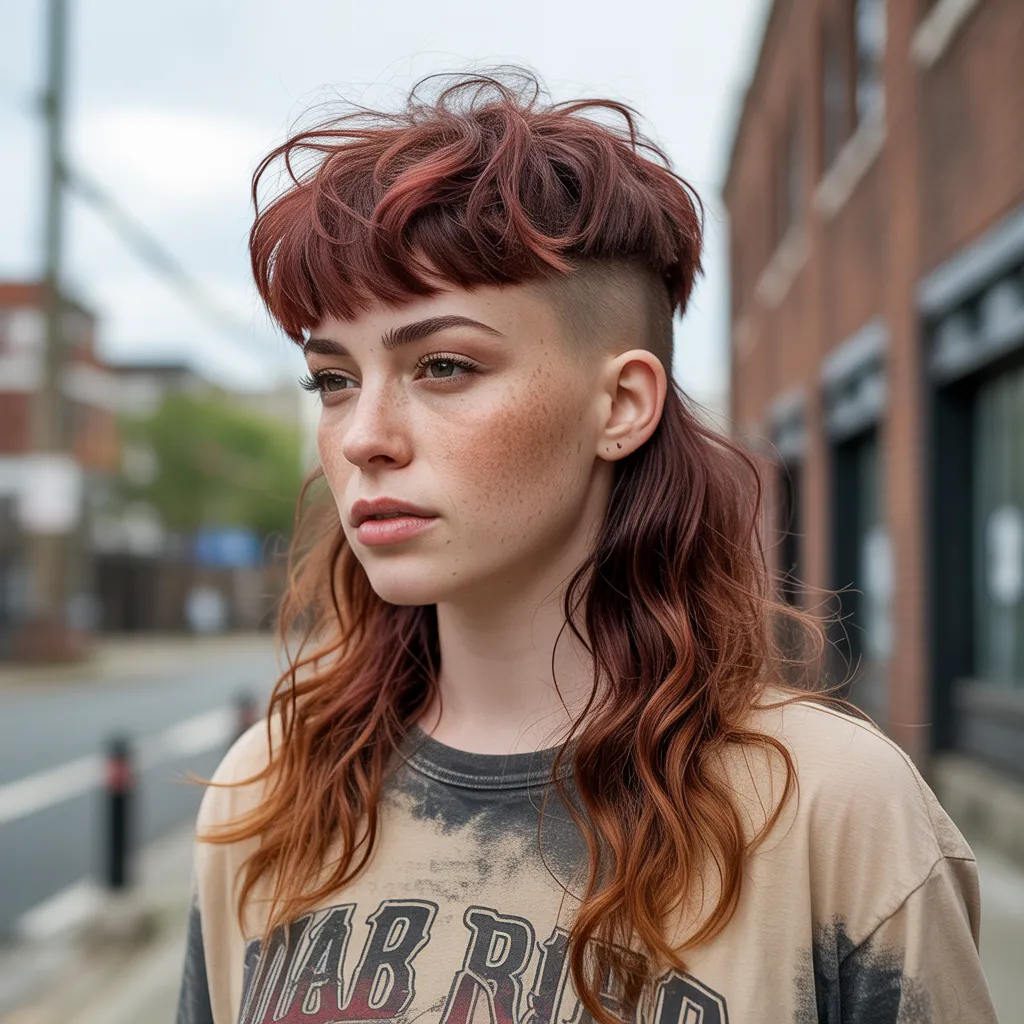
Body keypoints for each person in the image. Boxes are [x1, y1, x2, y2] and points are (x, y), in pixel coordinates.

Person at [176, 70, 997, 1024]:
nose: (364, 437)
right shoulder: (265, 793)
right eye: (333, 379)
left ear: (621, 405)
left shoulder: (834, 812)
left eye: (443, 365)